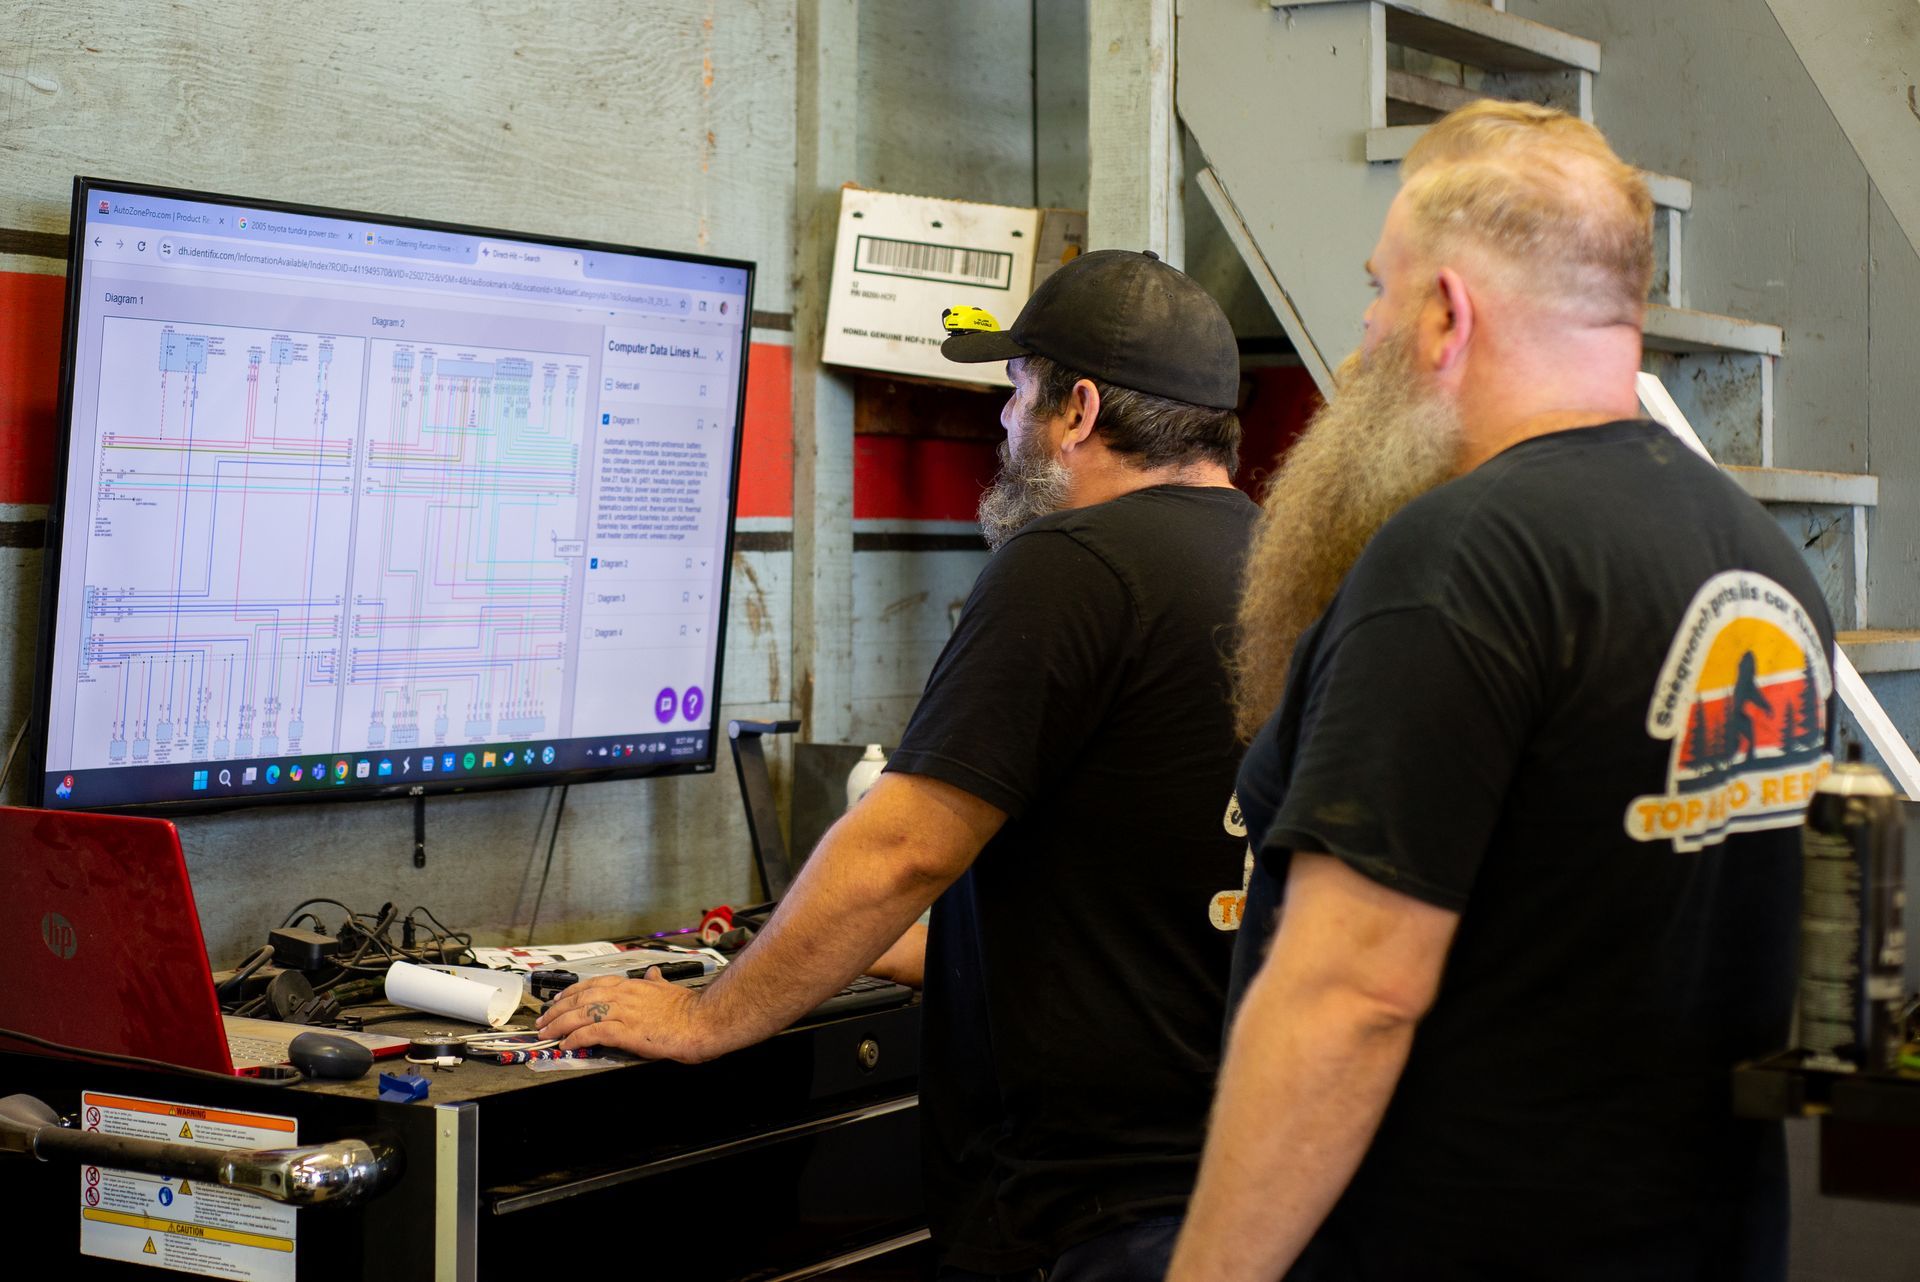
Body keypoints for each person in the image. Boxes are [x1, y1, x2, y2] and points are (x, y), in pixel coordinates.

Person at [1167, 100, 1834, 1281]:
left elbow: (1351, 995)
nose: (1365, 334)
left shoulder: (1457, 565)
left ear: (1446, 313)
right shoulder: (1763, 562)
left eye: (1378, 291)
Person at [541, 249, 1261, 1280]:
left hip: (1093, 1212)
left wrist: (704, 1013)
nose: (1004, 422)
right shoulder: (1280, 562)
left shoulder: (1071, 563)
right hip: (1234, 1186)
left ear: (1080, 411)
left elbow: (903, 851)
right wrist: (858, 947)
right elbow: (1153, 892)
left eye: (1017, 391)